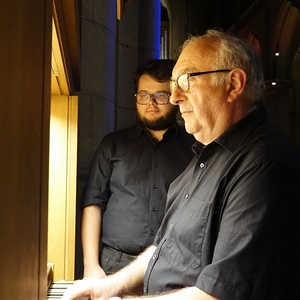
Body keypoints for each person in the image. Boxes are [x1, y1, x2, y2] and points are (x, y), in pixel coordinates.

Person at [63, 29, 300, 300]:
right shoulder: (204, 156)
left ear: (233, 84)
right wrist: (111, 286)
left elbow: (218, 294)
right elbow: (164, 248)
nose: (174, 97)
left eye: (185, 80)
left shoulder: (264, 165)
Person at [80, 58, 195, 278]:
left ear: (175, 97)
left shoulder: (195, 146)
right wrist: (90, 266)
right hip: (115, 263)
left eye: (160, 95)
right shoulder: (112, 145)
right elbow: (93, 203)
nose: (151, 103)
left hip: (174, 264)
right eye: (143, 95)